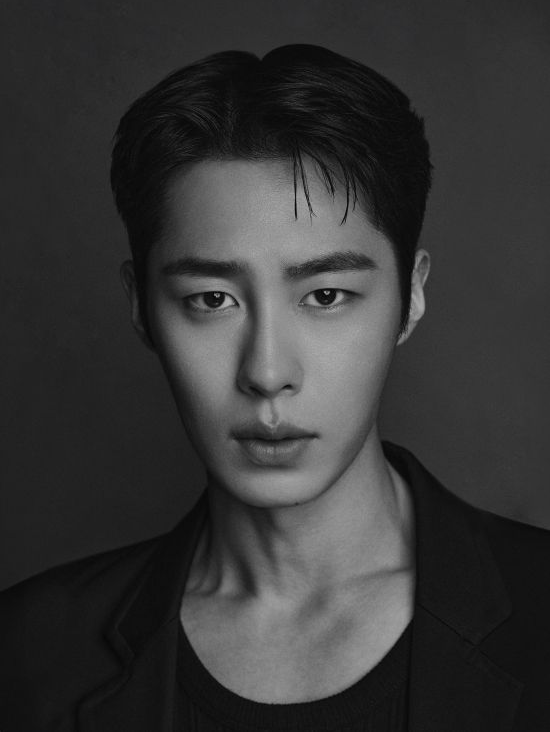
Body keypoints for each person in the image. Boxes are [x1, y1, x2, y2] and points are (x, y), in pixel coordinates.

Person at [1, 44, 549, 732]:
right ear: (141, 306)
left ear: (410, 296)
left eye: (325, 295)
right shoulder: (29, 655)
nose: (265, 372)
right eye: (211, 299)